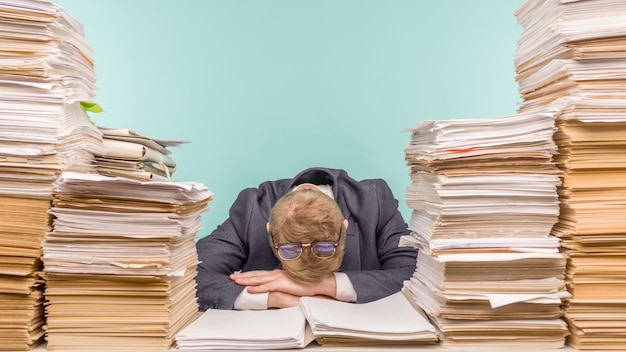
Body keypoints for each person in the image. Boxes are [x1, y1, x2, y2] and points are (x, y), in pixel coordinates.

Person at [195, 166, 418, 310]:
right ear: (269, 230)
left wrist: (325, 284)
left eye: (324, 248)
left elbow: (416, 275)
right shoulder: (252, 208)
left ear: (344, 227)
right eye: (289, 250)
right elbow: (189, 274)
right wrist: (277, 298)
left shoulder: (375, 201)